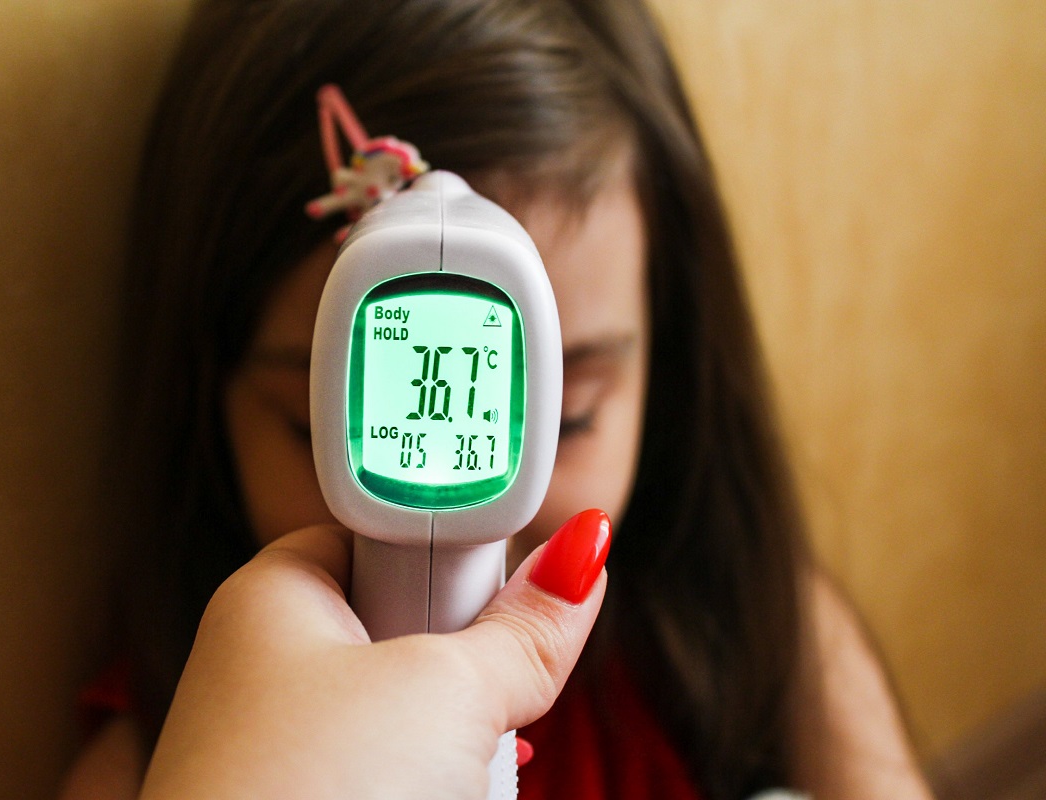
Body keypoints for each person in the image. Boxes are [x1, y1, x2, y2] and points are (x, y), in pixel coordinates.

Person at [62, 0, 936, 797]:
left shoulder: (777, 636)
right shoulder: (162, 769)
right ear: (206, 394)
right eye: (310, 423)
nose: (464, 511)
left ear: (668, 373)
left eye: (571, 414)